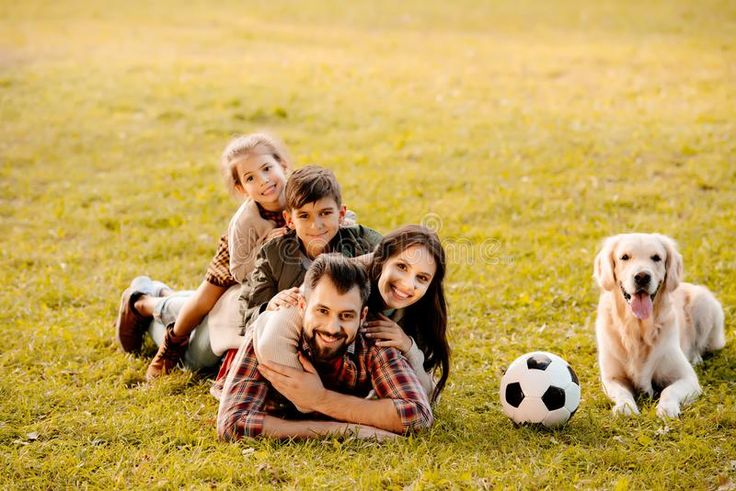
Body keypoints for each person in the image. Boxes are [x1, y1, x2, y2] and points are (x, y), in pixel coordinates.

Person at [114, 132, 292, 379]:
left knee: (213, 308)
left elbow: (328, 209)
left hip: (264, 271)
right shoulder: (245, 221)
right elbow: (239, 271)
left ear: (282, 165)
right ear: (241, 188)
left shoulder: (300, 193)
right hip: (238, 259)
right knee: (203, 303)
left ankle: (164, 295)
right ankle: (166, 341)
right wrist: (267, 248)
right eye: (251, 177)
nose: (263, 181)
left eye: (267, 169)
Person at [217, 254, 433, 440]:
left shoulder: (374, 337)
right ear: (302, 306)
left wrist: (319, 399)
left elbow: (417, 416)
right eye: (322, 311)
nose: (332, 327)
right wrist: (344, 430)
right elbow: (233, 423)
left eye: (346, 315)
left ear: (362, 316)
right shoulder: (271, 332)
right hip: (225, 323)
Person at [209, 165, 382, 396]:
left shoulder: (364, 243)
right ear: (289, 220)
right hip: (225, 323)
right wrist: (269, 305)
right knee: (198, 354)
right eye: (304, 216)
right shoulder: (273, 254)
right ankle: (155, 302)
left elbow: (395, 273)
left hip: (332, 339)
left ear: (341, 214)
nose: (316, 225)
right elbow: (249, 308)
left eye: (325, 213)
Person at [251, 225, 450, 403]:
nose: (408, 284)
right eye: (401, 266)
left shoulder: (421, 310)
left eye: (422, 278)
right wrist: (310, 398)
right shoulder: (339, 277)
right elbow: (272, 344)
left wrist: (408, 347)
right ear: (382, 259)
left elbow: (428, 395)